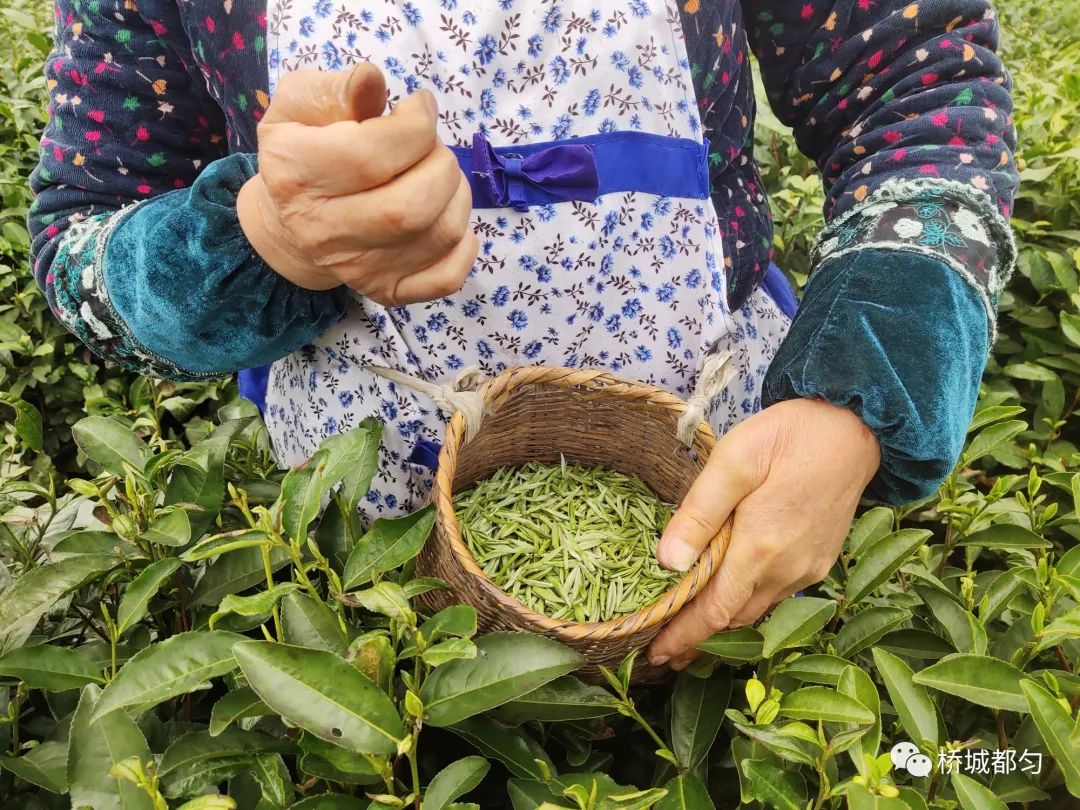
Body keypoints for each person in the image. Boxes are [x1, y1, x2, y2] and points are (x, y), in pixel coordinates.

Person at [30, 0, 1017, 670]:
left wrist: (863, 393)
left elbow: (918, 88)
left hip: (726, 492)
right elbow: (81, 246)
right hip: (361, 537)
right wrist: (257, 240)